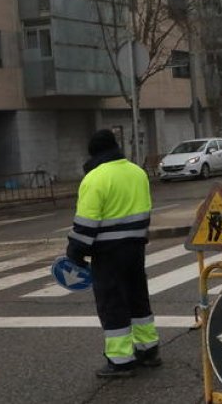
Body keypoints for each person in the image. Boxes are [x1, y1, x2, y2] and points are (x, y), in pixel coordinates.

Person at [67, 129, 162, 378]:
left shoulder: (95, 178)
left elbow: (86, 223)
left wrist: (75, 252)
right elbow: (145, 210)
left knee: (112, 303)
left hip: (108, 253)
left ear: (94, 153)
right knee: (137, 296)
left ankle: (121, 361)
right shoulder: (137, 172)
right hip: (136, 247)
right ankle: (148, 349)